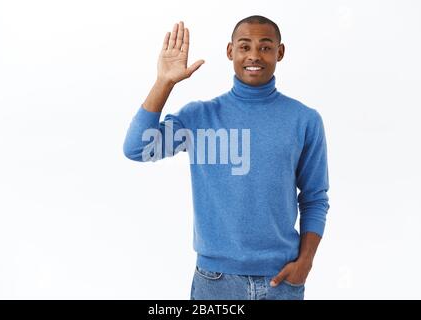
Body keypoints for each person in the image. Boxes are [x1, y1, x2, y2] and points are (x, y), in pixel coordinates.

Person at [123, 15, 330, 300]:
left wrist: (305, 263)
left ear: (280, 52)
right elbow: (137, 149)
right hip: (215, 283)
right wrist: (164, 82)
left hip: (282, 280)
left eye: (265, 47)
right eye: (245, 47)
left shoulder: (305, 120)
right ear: (230, 51)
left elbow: (315, 197)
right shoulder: (199, 117)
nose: (254, 55)